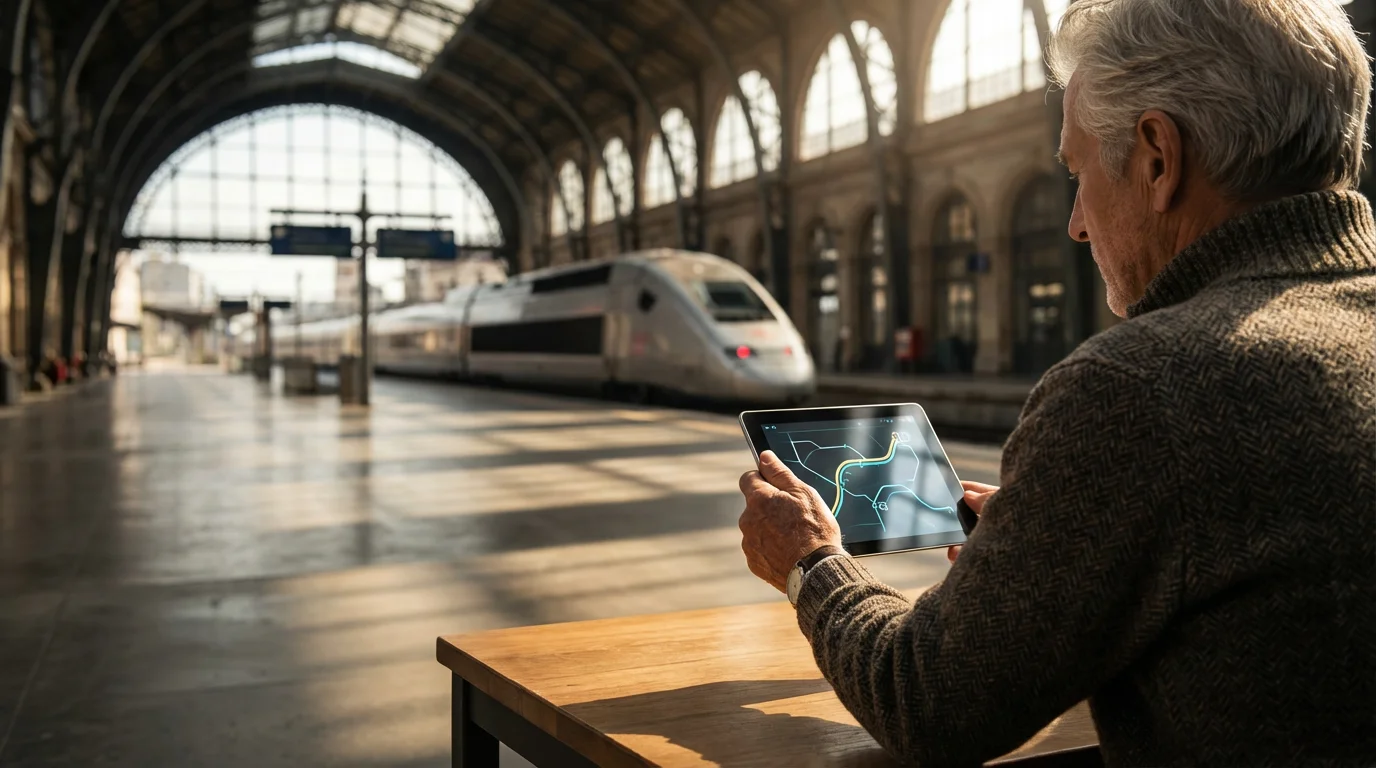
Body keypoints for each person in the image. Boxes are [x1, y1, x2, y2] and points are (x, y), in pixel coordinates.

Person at [737, 0, 1376, 765]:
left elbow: (927, 702)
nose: (1075, 222)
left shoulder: (1138, 387)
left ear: (1157, 159)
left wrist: (812, 563)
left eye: (1077, 171)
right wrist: (1078, 530)